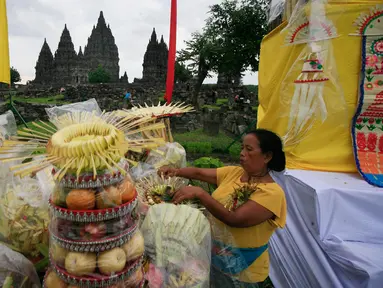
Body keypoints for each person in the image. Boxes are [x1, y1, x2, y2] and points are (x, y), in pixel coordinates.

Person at [158, 129, 287, 287]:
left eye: (249, 149)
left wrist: (201, 194)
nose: (242, 153)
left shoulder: (272, 193)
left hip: (244, 273)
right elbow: (199, 172)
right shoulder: (234, 173)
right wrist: (175, 171)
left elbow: (234, 219)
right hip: (216, 258)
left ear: (267, 156)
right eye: (242, 147)